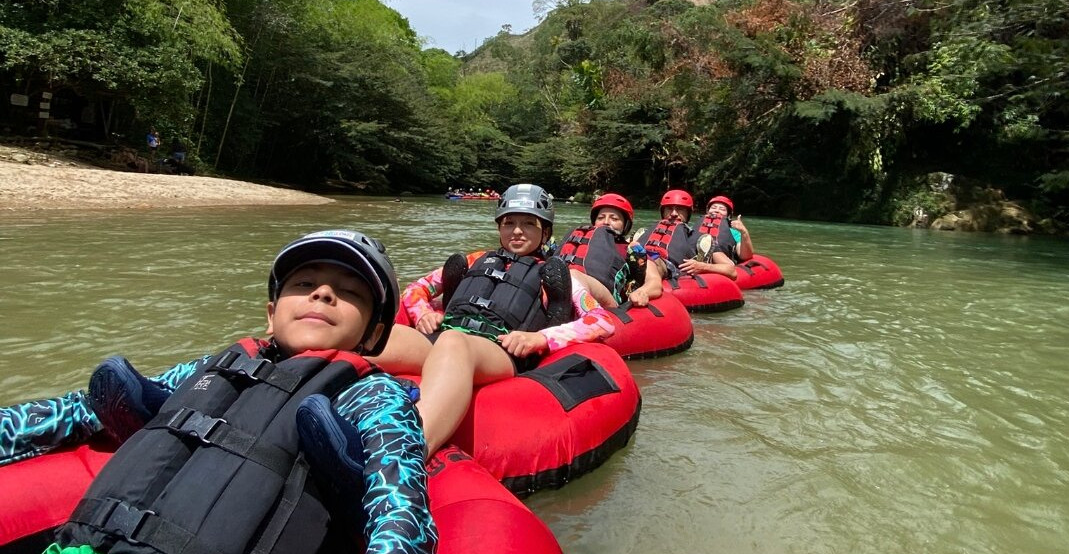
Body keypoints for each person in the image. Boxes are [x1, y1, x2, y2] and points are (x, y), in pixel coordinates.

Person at [0, 229, 436, 554]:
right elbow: (80, 409)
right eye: (304, 285)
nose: (322, 293)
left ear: (374, 333)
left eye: (349, 292)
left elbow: (400, 506)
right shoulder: (213, 368)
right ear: (271, 313)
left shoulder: (372, 394)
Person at [373, 184, 616, 459]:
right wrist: (424, 314)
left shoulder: (557, 275)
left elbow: (602, 321)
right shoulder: (476, 260)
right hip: (446, 337)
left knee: (454, 342)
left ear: (545, 231)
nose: (517, 231)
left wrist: (540, 338)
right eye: (509, 222)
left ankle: (409, 450)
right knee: (380, 336)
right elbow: (418, 289)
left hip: (500, 350)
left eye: (528, 224)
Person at [557, 192, 663, 308]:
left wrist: (642, 292)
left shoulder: (631, 249)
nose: (606, 222)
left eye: (614, 218)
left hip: (606, 301)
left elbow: (655, 282)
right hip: (562, 289)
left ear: (625, 225)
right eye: (601, 218)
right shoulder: (577, 241)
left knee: (573, 276)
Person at [635, 189, 738, 283]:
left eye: (680, 209)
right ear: (663, 212)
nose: (674, 213)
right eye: (669, 209)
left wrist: (703, 266)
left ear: (688, 213)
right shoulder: (649, 231)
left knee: (652, 262)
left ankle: (703, 258)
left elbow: (731, 270)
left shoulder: (700, 238)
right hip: (641, 261)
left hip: (665, 268)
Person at [695, 194, 755, 263]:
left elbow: (745, 256)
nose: (717, 210)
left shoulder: (734, 233)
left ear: (728, 215)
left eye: (722, 209)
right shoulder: (694, 229)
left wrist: (744, 232)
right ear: (707, 211)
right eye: (713, 208)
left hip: (722, 266)